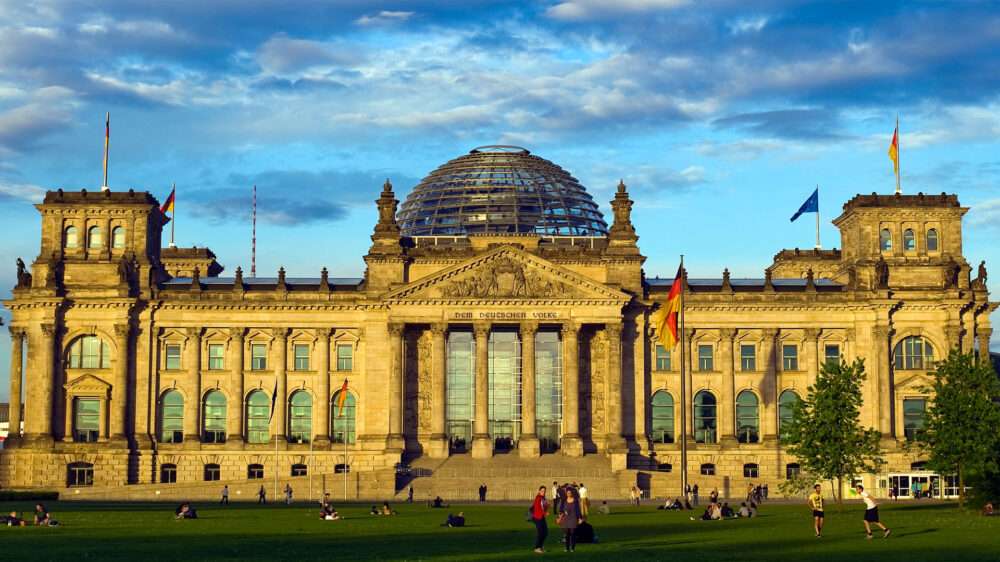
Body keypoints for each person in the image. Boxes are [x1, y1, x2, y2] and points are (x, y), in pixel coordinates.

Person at [559, 487, 583, 552]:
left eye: (570, 493)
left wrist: (580, 518)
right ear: (566, 493)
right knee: (567, 534)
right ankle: (567, 548)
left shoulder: (575, 501)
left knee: (572, 533)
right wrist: (564, 512)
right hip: (566, 519)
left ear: (571, 493)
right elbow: (560, 509)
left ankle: (572, 548)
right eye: (567, 493)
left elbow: (578, 510)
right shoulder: (564, 500)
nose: (569, 494)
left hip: (573, 518)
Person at [532, 485, 550, 553]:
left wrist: (548, 505)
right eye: (542, 491)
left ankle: (540, 546)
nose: (543, 492)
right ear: (539, 491)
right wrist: (545, 513)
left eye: (544, 491)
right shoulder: (538, 498)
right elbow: (536, 509)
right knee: (541, 533)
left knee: (545, 532)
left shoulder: (542, 498)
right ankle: (537, 547)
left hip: (541, 517)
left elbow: (543, 508)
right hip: (537, 517)